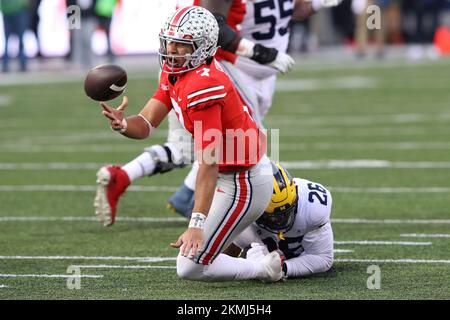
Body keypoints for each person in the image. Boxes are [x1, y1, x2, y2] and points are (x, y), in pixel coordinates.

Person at [94, 0, 343, 225]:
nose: (169, 49)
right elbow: (215, 21)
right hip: (226, 67)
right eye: (168, 43)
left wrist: (318, 4)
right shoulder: (191, 71)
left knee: (185, 148)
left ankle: (132, 178)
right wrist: (259, 53)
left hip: (256, 74)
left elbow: (288, 11)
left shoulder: (174, 67)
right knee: (249, 144)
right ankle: (263, 220)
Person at [98, 6, 282, 282]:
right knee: (227, 247)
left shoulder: (203, 87)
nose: (171, 49)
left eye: (181, 45)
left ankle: (264, 269)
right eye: (169, 41)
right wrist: (124, 124)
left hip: (243, 182)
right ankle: (258, 244)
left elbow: (208, 161)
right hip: (228, 177)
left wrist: (196, 223)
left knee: (189, 267)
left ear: (203, 47)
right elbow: (147, 123)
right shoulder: (178, 72)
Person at [230, 162, 334, 279]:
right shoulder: (243, 214)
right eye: (273, 217)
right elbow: (222, 255)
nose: (280, 222)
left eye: (285, 214)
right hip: (257, 241)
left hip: (300, 253)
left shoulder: (312, 207)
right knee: (237, 238)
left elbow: (322, 258)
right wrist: (257, 265)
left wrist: (284, 268)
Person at [1, 0, 30, 73]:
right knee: (17, 40)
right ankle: (21, 65)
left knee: (16, 40)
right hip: (13, 10)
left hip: (13, 10)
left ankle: (21, 65)